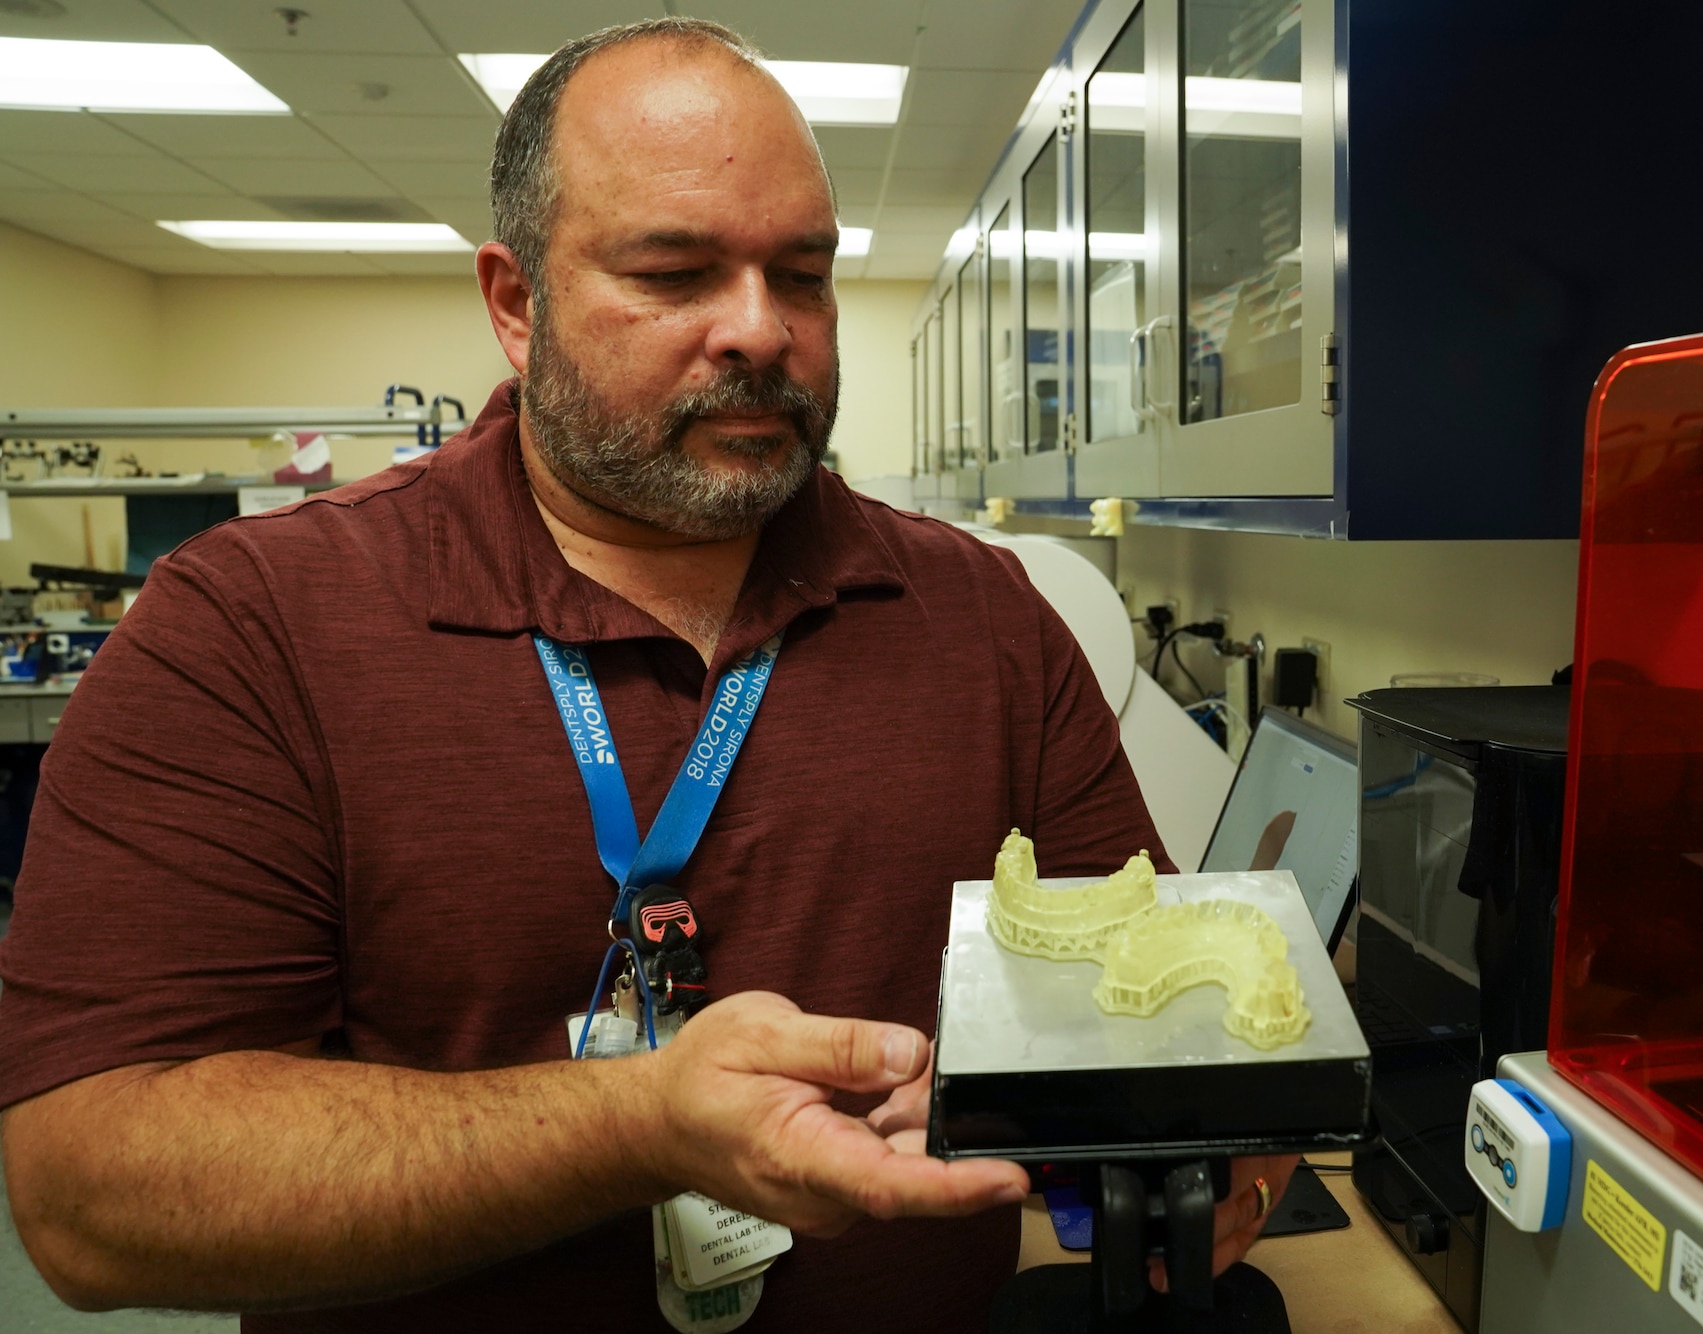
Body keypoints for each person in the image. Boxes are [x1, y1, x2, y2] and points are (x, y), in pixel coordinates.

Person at [0, 18, 1291, 1332]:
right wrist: (634, 1125)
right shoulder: (253, 625)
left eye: (802, 276)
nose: (759, 331)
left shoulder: (981, 616)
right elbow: (91, 1184)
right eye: (676, 274)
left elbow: (1158, 1017)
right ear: (518, 303)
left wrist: (1214, 1126)